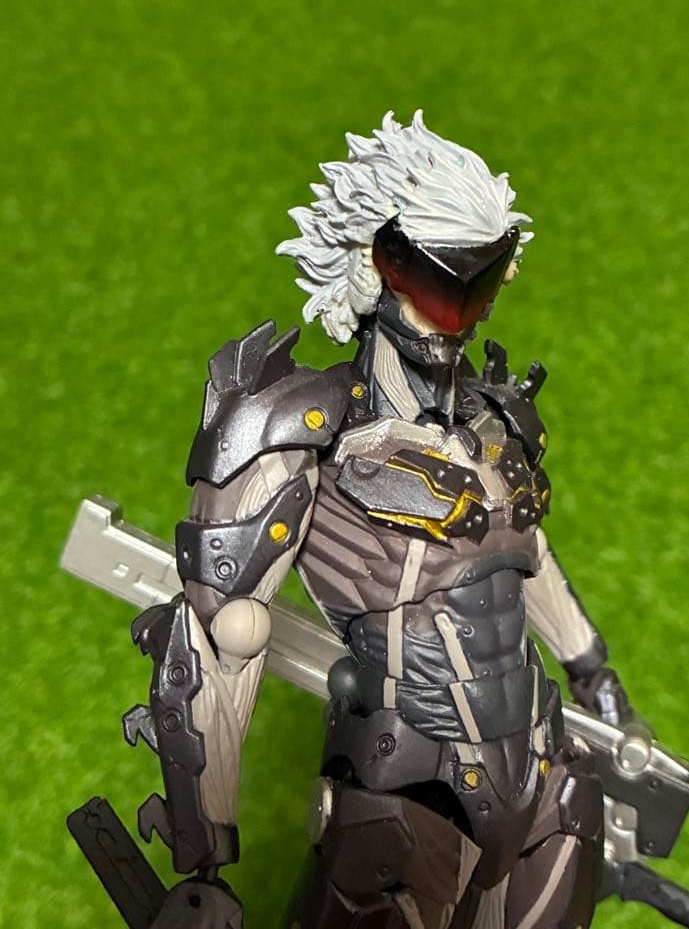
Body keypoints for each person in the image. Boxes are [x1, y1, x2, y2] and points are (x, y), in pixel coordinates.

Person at [134, 111, 641, 928]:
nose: (456, 319)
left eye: (479, 289)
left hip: (543, 781)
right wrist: (205, 860)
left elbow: (528, 553)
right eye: (443, 287)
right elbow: (224, 636)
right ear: (377, 266)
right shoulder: (305, 427)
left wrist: (593, 672)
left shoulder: (493, 424)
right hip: (408, 785)